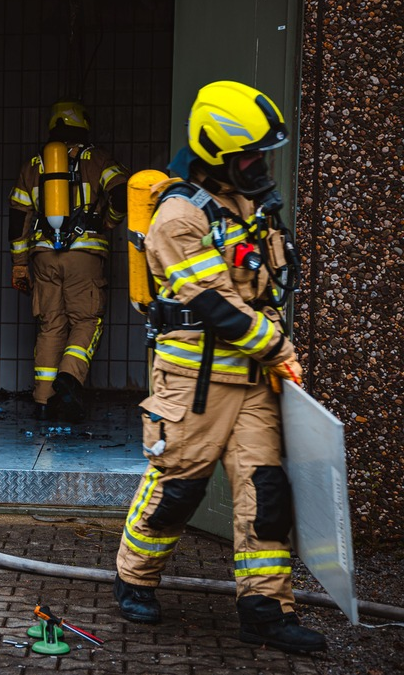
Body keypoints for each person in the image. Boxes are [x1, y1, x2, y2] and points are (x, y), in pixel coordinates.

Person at [112, 80, 326, 654]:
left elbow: (267, 290)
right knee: (177, 490)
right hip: (193, 385)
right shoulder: (178, 217)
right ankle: (134, 578)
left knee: (267, 496)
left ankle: (266, 609)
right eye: (250, 156)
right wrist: (281, 351)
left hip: (252, 381)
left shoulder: (249, 207)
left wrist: (274, 351)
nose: (260, 166)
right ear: (217, 153)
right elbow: (216, 305)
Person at [9, 100, 129, 422]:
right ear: (83, 124)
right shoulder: (98, 159)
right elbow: (122, 194)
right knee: (87, 320)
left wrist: (19, 263)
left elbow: (18, 218)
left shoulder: (33, 165)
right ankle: (69, 377)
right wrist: (108, 221)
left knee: (51, 324)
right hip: (84, 256)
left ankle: (43, 401)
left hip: (43, 257)